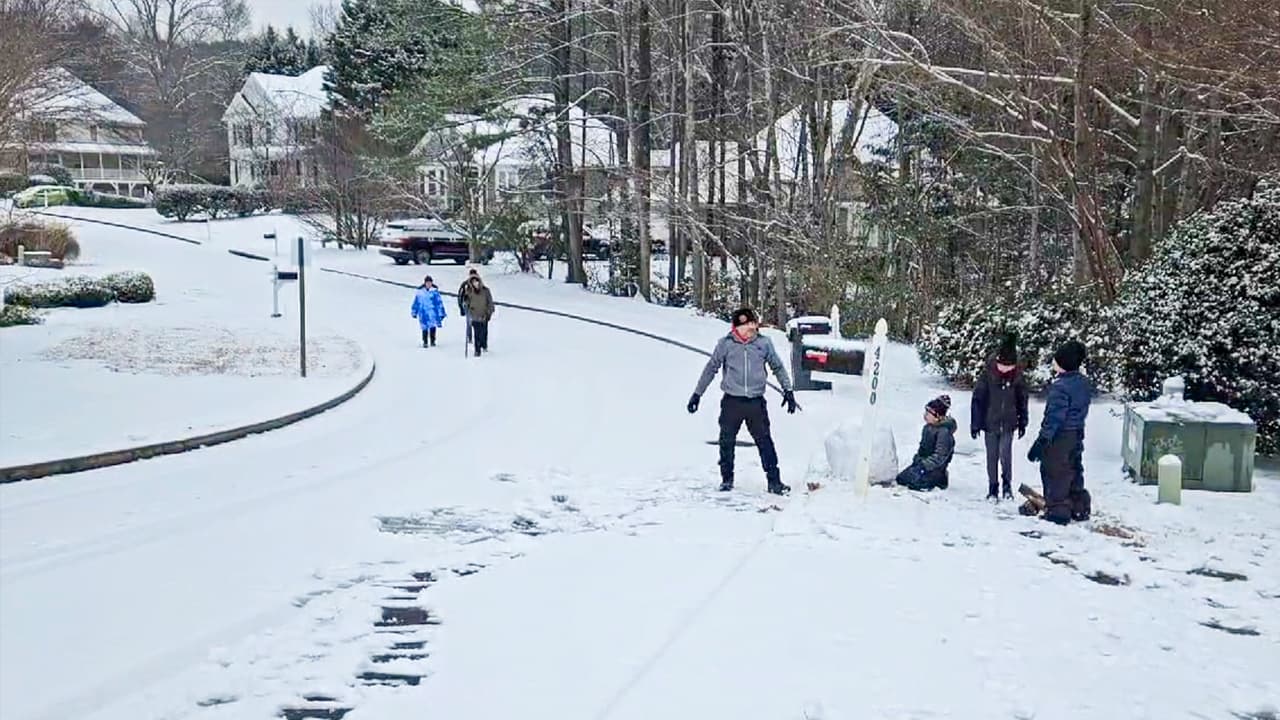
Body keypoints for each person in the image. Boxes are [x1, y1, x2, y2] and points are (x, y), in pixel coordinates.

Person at [687, 307, 798, 495]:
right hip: (732, 401)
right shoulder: (725, 344)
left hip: (755, 402)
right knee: (726, 441)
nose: (750, 328)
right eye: (745, 325)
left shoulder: (764, 344)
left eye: (752, 324)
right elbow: (711, 368)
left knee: (765, 442)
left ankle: (774, 481)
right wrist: (697, 394)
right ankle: (727, 480)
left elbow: (777, 367)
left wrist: (788, 390)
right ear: (736, 328)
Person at [1027, 340, 1091, 525]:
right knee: (1073, 468)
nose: (1053, 362)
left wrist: (1042, 441)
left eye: (1056, 360)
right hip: (1077, 432)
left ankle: (1058, 510)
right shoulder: (1082, 383)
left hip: (1060, 436)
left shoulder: (1060, 387)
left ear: (1064, 363)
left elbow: (1054, 418)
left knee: (1055, 471)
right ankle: (1079, 507)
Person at [971, 333, 1029, 501]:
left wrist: (1023, 422)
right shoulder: (987, 376)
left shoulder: (1017, 378)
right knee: (992, 456)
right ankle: (992, 486)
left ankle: (1006, 484)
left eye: (1008, 366)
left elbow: (1022, 401)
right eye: (1002, 365)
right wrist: (975, 423)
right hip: (990, 423)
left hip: (1009, 423)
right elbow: (978, 400)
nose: (1005, 369)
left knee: (1006, 454)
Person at [896, 395, 957, 491]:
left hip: (935, 468)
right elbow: (923, 448)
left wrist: (924, 465)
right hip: (923, 464)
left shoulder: (944, 432)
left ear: (937, 417)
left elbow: (940, 456)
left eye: (928, 414)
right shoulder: (927, 428)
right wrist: (918, 460)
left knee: (915, 485)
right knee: (901, 479)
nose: (925, 415)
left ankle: (940, 480)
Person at [460, 273, 494, 356]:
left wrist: (489, 312)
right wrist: (465, 303)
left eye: (476, 281)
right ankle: (477, 350)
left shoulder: (486, 291)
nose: (475, 283)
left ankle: (484, 344)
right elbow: (466, 302)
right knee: (476, 333)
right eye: (473, 282)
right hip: (474, 315)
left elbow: (490, 302)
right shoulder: (469, 292)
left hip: (484, 314)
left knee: (483, 332)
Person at [410, 275, 446, 348]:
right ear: (425, 283)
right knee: (424, 327)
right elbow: (416, 303)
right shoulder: (420, 293)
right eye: (427, 283)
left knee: (433, 326)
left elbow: (439, 303)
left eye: (430, 283)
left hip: (432, 312)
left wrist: (441, 313)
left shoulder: (435, 292)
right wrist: (414, 311)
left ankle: (433, 340)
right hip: (423, 312)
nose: (429, 284)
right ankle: (425, 341)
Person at [458, 268, 479, 347]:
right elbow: (460, 296)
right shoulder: (465, 284)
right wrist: (461, 307)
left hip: (477, 307)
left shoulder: (479, 284)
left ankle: (477, 338)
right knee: (469, 322)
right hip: (468, 306)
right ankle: (469, 337)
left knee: (477, 323)